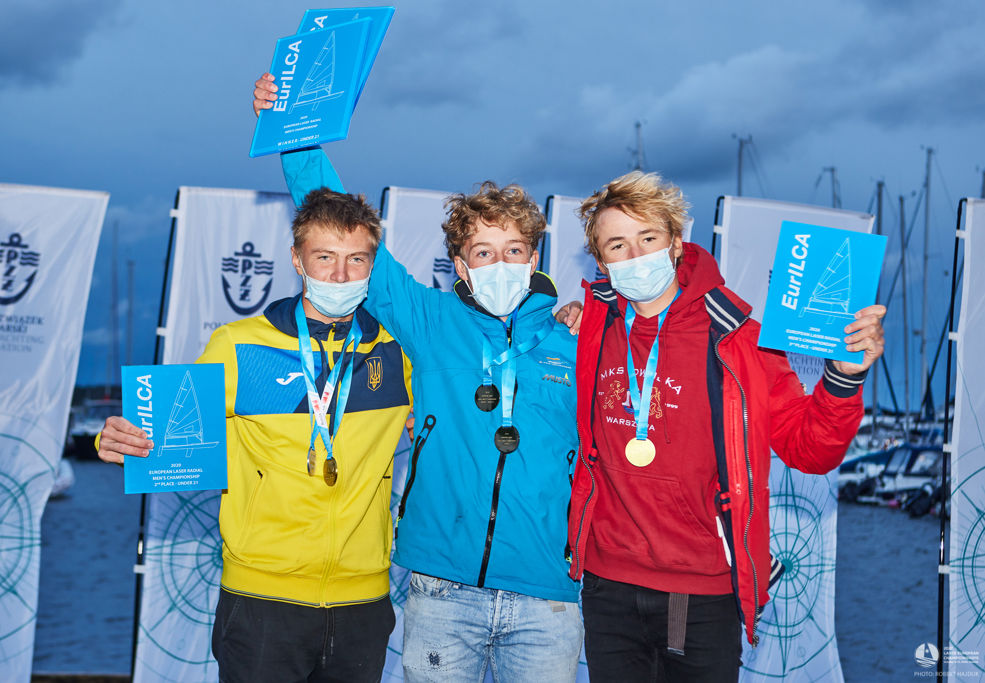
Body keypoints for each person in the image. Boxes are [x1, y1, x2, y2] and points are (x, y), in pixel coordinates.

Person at [254, 73, 585, 682]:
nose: (500, 263)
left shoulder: (580, 340)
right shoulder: (431, 321)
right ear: (460, 265)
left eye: (513, 250)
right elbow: (344, 234)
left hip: (550, 593)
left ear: (534, 258)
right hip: (441, 589)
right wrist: (295, 133)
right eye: (483, 252)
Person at [564, 171, 886, 682]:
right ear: (600, 262)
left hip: (702, 591)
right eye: (616, 245)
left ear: (675, 242)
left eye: (648, 238)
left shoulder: (739, 337)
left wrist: (844, 379)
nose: (634, 256)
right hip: (609, 583)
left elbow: (810, 450)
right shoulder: (591, 328)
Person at [97, 188, 413, 683]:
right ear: (296, 258)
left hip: (364, 601)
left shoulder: (399, 351)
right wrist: (119, 440)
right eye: (324, 257)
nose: (339, 275)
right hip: (261, 599)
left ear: (373, 264)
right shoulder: (239, 343)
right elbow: (170, 428)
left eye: (357, 259)